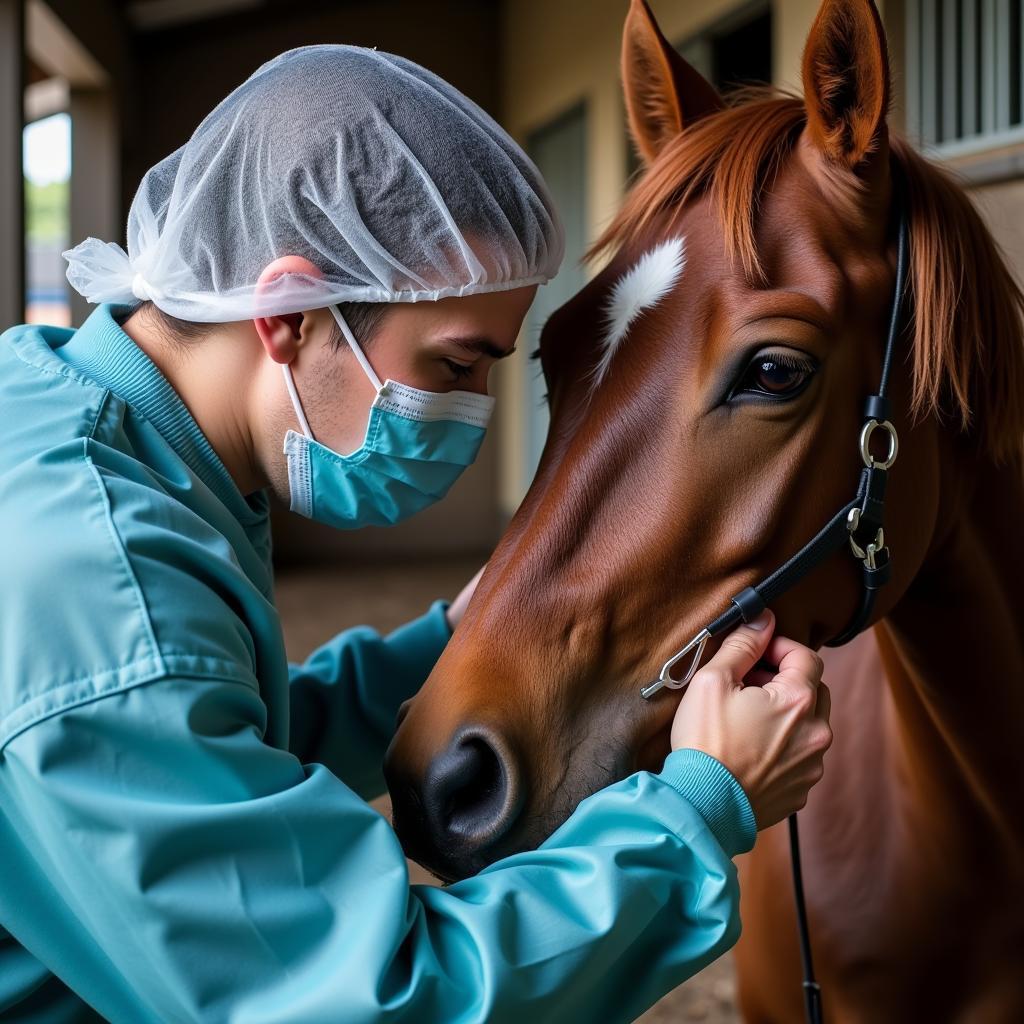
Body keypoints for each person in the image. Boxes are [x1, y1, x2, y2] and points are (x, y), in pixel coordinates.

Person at [0, 45, 832, 1023]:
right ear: (290, 312)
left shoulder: (76, 417)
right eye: (454, 365)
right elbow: (367, 1000)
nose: (472, 416)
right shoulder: (106, 586)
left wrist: (445, 646)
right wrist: (699, 805)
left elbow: (204, 742)